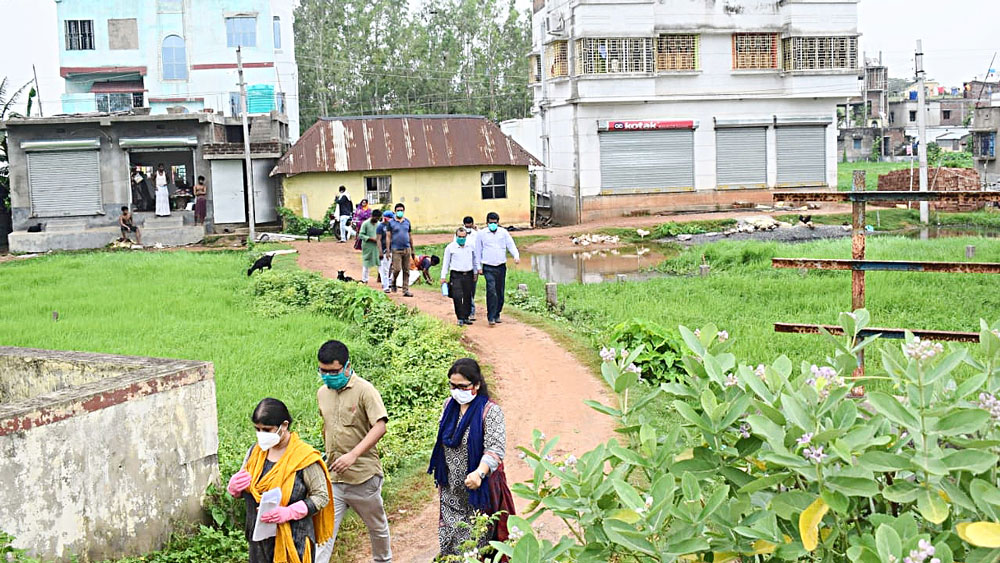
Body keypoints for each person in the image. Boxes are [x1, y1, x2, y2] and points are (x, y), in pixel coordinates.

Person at [226, 398, 336, 563]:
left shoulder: (304, 458)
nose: (261, 434)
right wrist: (234, 489)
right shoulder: (255, 453)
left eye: (267, 430)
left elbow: (321, 496)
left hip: (293, 541)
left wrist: (289, 512)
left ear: (284, 426)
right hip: (259, 542)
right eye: (257, 429)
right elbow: (245, 491)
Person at [316, 340, 392, 562]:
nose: (328, 375)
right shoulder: (322, 393)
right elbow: (327, 426)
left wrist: (353, 455)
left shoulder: (365, 391)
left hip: (363, 477)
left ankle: (383, 560)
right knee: (325, 533)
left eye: (334, 371)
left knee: (377, 527)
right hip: (335, 479)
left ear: (347, 366)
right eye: (323, 371)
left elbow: (380, 426)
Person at [428, 358, 507, 557]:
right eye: (452, 385)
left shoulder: (490, 412)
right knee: (449, 537)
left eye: (462, 386)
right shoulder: (448, 406)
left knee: (474, 544)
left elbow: (495, 449)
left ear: (477, 385)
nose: (456, 391)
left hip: (478, 491)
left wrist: (479, 473)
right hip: (451, 489)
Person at [475, 212, 520, 327]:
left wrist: (516, 255)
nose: (492, 225)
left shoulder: (503, 233)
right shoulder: (482, 234)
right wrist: (478, 267)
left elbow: (511, 245)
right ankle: (490, 316)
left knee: (500, 291)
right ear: (487, 223)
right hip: (488, 267)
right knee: (491, 290)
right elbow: (478, 251)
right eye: (490, 223)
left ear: (498, 223)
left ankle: (497, 313)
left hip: (501, 266)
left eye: (494, 223)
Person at [441, 227, 478, 325]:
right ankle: (460, 317)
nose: (461, 239)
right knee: (457, 296)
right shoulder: (450, 248)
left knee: (467, 296)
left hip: (468, 274)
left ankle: (466, 316)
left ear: (466, 237)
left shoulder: (470, 246)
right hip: (456, 275)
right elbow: (446, 263)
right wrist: (443, 276)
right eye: (459, 237)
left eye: (463, 237)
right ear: (456, 236)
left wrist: (475, 272)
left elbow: (474, 260)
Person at [388, 203, 414, 297]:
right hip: (396, 249)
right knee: (397, 269)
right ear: (395, 211)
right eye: (398, 210)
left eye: (401, 210)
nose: (400, 212)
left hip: (406, 248)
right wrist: (388, 249)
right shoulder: (391, 223)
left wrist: (412, 249)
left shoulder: (407, 222)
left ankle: (405, 290)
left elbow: (410, 236)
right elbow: (388, 236)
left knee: (406, 270)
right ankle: (393, 281)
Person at [462, 216, 479, 321]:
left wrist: (476, 271)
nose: (468, 227)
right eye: (466, 226)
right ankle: (470, 311)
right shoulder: (459, 234)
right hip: (463, 266)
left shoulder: (476, 234)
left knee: (472, 290)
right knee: (466, 290)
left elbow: (477, 254)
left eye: (470, 225)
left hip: (473, 266)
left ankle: (470, 310)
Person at [358, 211, 380, 284]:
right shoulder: (365, 223)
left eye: (378, 218)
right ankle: (364, 280)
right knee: (366, 263)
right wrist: (371, 239)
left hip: (377, 246)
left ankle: (381, 279)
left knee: (379, 262)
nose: (376, 220)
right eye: (375, 218)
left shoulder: (379, 224)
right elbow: (361, 235)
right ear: (372, 216)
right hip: (367, 246)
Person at [375, 210, 394, 293]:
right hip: (384, 250)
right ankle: (385, 286)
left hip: (392, 249)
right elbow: (378, 240)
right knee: (385, 269)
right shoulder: (380, 227)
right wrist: (380, 252)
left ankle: (389, 282)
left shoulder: (392, 226)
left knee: (393, 268)